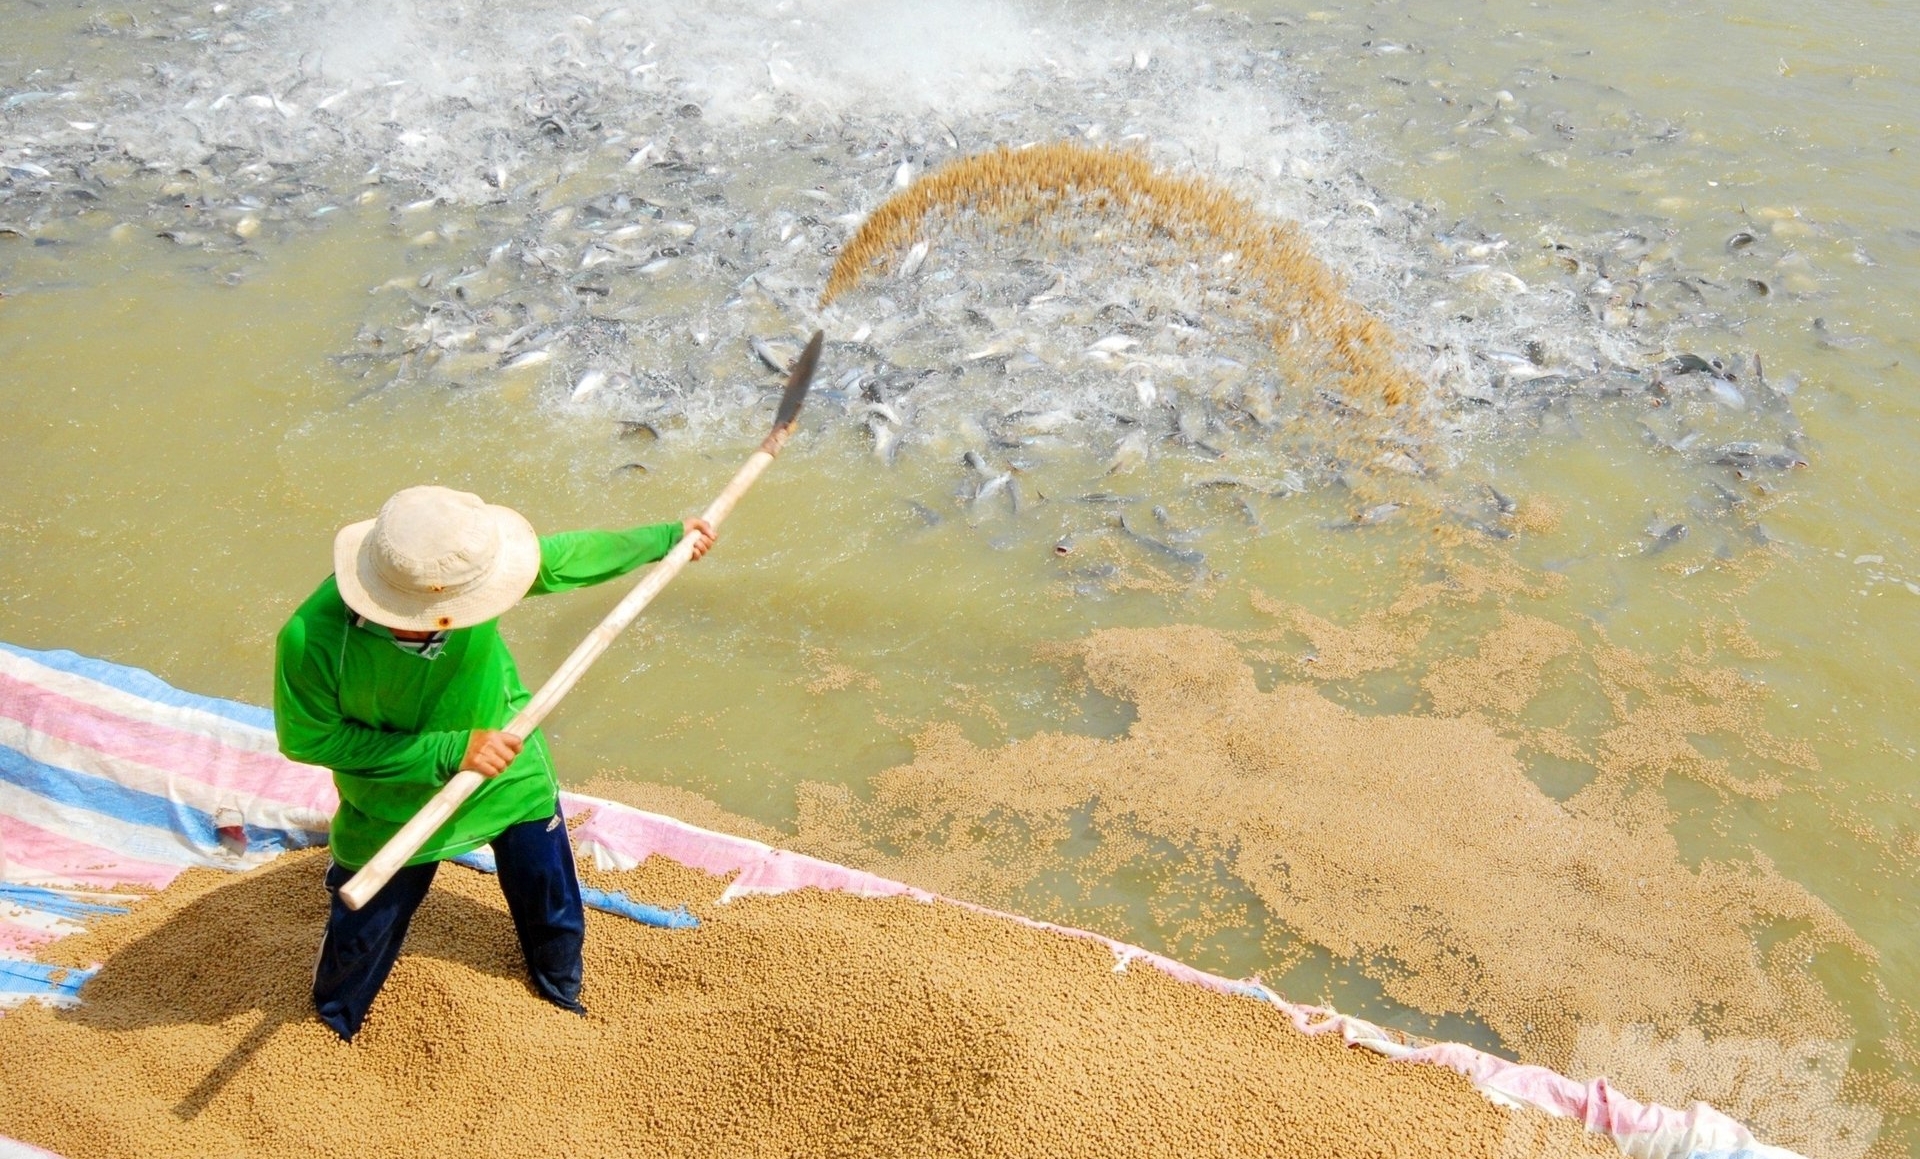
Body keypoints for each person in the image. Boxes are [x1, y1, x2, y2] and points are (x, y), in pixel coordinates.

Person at [273, 484, 714, 1041]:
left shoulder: (470, 574)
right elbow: (309, 741)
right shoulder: (312, 638)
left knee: (549, 898)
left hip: (508, 762)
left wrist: (665, 539)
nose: (458, 619)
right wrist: (449, 751)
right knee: (361, 937)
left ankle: (561, 993)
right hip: (394, 799)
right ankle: (331, 1028)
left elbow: (564, 559)